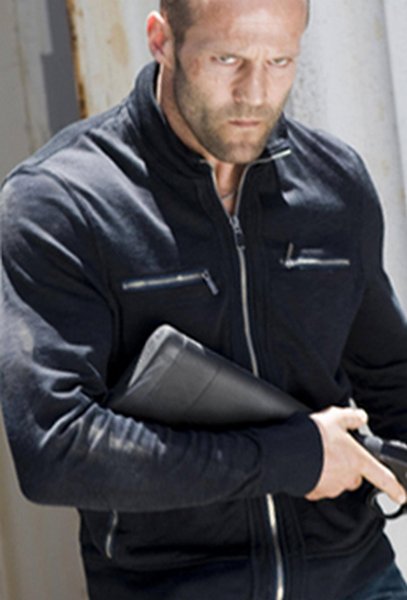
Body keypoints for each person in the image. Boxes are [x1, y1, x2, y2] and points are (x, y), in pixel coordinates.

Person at [1, 0, 407, 598]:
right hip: (173, 586)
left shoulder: (335, 184)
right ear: (161, 40)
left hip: (356, 577)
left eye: (280, 61)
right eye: (227, 59)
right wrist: (293, 458)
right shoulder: (62, 203)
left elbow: (391, 380)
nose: (255, 93)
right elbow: (54, 448)